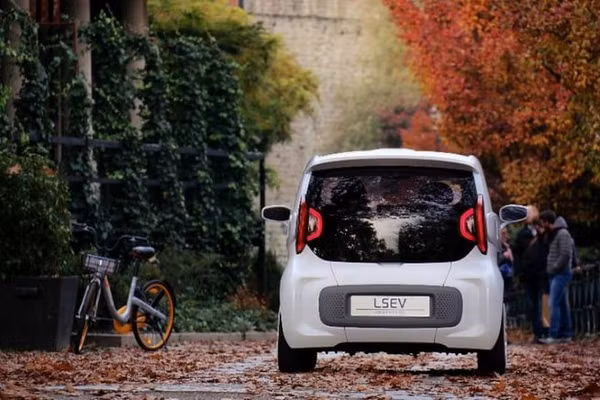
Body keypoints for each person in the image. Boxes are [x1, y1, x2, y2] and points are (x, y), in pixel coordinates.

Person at [538, 210, 575, 344]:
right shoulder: (553, 234)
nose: (542, 226)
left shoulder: (562, 233)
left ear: (548, 222)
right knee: (563, 304)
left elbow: (565, 254)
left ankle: (553, 335)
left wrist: (554, 268)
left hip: (561, 273)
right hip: (556, 273)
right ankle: (566, 334)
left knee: (553, 303)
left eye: (542, 223)